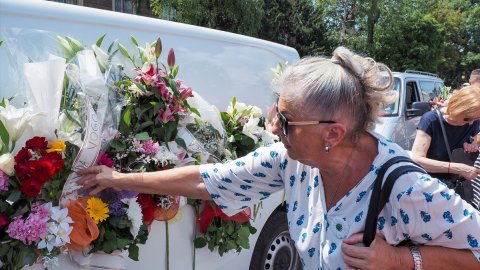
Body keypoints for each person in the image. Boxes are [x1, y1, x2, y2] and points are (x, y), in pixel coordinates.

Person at [79, 47, 480, 270]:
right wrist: (118, 179)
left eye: (285, 120)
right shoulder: (294, 159)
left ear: (333, 133)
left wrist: (398, 259)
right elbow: (209, 180)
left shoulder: (403, 185)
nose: (273, 127)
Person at [411, 85, 480, 209]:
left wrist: (471, 146)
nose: (471, 122)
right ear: (457, 108)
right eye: (468, 118)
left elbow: (474, 141)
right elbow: (417, 159)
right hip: (432, 190)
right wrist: (458, 168)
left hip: (457, 189)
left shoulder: (472, 121)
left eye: (476, 119)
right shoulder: (431, 121)